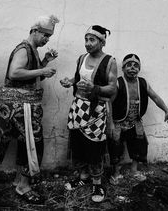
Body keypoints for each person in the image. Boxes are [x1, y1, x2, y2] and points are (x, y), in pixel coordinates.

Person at [0, 15, 59, 204]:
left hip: (25, 106)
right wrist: (42, 71)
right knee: (33, 143)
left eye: (49, 37)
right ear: (34, 31)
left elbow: (29, 77)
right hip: (20, 106)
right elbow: (14, 73)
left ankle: (19, 180)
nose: (46, 40)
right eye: (45, 35)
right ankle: (24, 186)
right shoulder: (24, 49)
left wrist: (44, 62)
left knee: (26, 142)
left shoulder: (32, 50)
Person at [60, 25, 117, 203]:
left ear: (102, 42)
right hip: (78, 107)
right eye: (86, 39)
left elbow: (112, 88)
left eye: (92, 40)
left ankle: (97, 183)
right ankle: (83, 177)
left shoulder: (110, 61)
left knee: (95, 147)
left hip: (97, 110)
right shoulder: (81, 58)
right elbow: (78, 78)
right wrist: (70, 82)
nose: (87, 43)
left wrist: (95, 88)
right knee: (79, 144)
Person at [108, 53, 168, 185]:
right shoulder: (118, 83)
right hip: (119, 122)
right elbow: (109, 103)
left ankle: (134, 170)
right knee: (116, 147)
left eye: (136, 66)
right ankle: (116, 173)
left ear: (139, 68)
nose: (132, 68)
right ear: (123, 68)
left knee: (139, 145)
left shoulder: (143, 83)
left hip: (135, 122)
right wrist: (110, 123)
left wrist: (166, 110)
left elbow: (155, 97)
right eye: (129, 65)